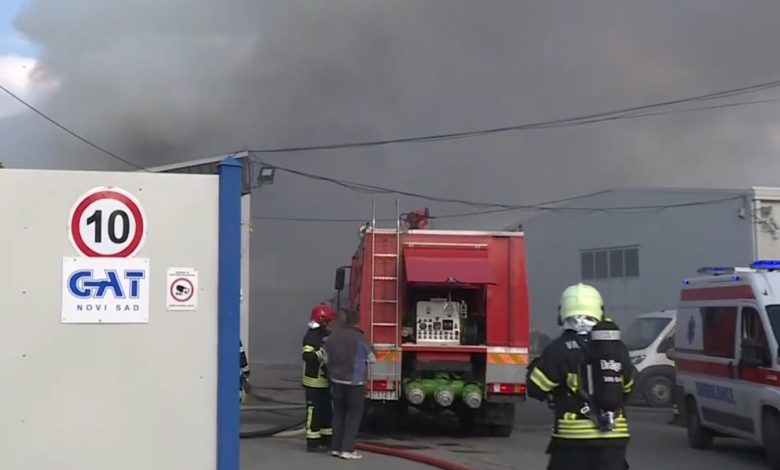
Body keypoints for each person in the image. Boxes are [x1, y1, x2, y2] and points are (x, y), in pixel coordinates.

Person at [527, 283, 635, 470]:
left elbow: (536, 388)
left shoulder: (559, 348)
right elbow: (629, 387)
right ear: (599, 311)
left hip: (573, 440)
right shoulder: (617, 348)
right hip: (614, 439)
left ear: (563, 312)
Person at [323, 311, 376, 460]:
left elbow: (325, 359)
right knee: (353, 415)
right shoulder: (361, 338)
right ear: (357, 322)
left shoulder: (332, 337)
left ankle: (335, 448)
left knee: (338, 413)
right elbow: (372, 358)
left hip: (336, 380)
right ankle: (347, 449)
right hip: (355, 383)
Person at [302, 302, 336, 452]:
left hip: (323, 381)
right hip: (313, 382)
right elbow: (307, 356)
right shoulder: (312, 336)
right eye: (328, 321)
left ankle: (327, 440)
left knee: (326, 412)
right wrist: (322, 353)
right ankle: (313, 442)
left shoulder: (324, 334)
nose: (329, 324)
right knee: (314, 412)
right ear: (322, 321)